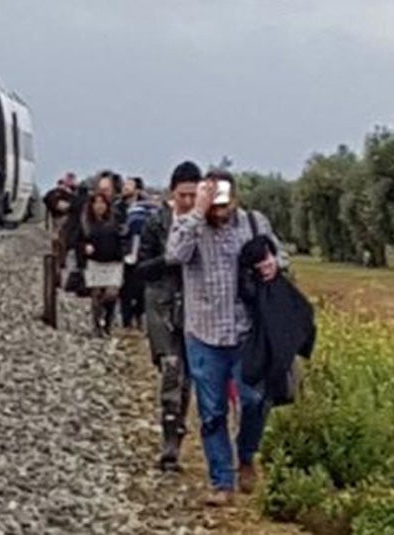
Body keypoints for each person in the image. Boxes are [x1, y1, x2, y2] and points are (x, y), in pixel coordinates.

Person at [166, 169, 284, 506]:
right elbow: (175, 255)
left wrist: (274, 263)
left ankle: (246, 454)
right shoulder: (190, 224)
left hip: (246, 330)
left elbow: (280, 254)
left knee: (254, 400)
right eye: (213, 198)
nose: (220, 207)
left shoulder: (252, 223)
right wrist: (196, 213)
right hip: (203, 333)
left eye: (224, 199)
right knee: (212, 412)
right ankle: (222, 482)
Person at [137, 162, 201, 471]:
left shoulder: (204, 225)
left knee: (185, 377)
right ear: (173, 193)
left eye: (193, 195)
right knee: (171, 370)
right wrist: (170, 259)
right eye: (183, 195)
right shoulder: (156, 224)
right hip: (162, 306)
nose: (188, 202)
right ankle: (169, 438)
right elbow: (141, 267)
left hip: (194, 308)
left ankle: (174, 438)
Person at [76, 192, 124, 338]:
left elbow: (123, 239)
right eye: (96, 203)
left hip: (113, 262)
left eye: (102, 203)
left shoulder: (115, 220)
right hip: (94, 262)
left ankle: (108, 323)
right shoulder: (85, 223)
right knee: (96, 294)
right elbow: (77, 241)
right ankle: (97, 326)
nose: (99, 206)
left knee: (112, 294)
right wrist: (84, 248)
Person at [119, 177, 156, 330]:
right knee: (125, 289)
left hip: (143, 252)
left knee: (141, 288)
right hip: (126, 252)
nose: (125, 188)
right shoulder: (118, 206)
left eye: (129, 185)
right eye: (124, 185)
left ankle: (138, 316)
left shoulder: (148, 207)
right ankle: (126, 321)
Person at [44, 173, 78, 269]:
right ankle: (59, 265)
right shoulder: (55, 193)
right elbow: (56, 205)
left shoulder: (75, 194)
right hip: (60, 221)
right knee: (59, 243)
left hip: (70, 223)